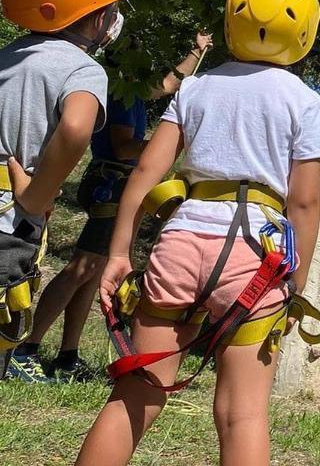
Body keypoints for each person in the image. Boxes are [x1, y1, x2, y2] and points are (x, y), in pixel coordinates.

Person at [64, 0, 320, 466]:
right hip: (257, 255)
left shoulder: (197, 87)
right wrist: (294, 280)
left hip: (182, 242)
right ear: (304, 29)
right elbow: (304, 200)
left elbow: (145, 173)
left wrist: (119, 253)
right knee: (242, 414)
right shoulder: (303, 100)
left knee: (137, 393)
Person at [11, 32, 214, 382]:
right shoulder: (119, 94)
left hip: (114, 185)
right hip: (111, 183)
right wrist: (165, 146)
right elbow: (123, 147)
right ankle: (26, 349)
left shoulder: (131, 90)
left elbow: (169, 84)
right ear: (128, 62)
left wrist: (197, 49)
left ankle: (67, 356)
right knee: (82, 266)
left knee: (93, 272)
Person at [0, 0, 131, 381]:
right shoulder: (82, 68)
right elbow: (76, 128)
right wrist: (38, 195)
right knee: (6, 304)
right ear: (94, 18)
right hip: (11, 214)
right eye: (111, 9)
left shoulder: (6, 58)